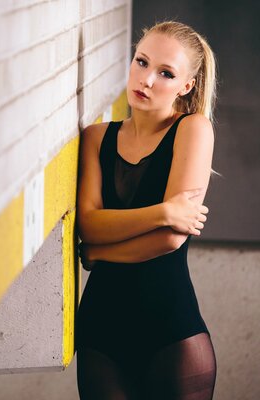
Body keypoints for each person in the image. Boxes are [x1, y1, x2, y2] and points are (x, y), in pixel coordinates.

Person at [74, 21, 219, 399]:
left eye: (166, 73)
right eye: (141, 62)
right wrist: (163, 212)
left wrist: (99, 253)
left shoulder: (193, 129)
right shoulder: (95, 138)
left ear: (186, 86)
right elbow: (88, 224)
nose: (147, 79)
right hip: (100, 336)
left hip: (171, 335)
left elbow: (170, 240)